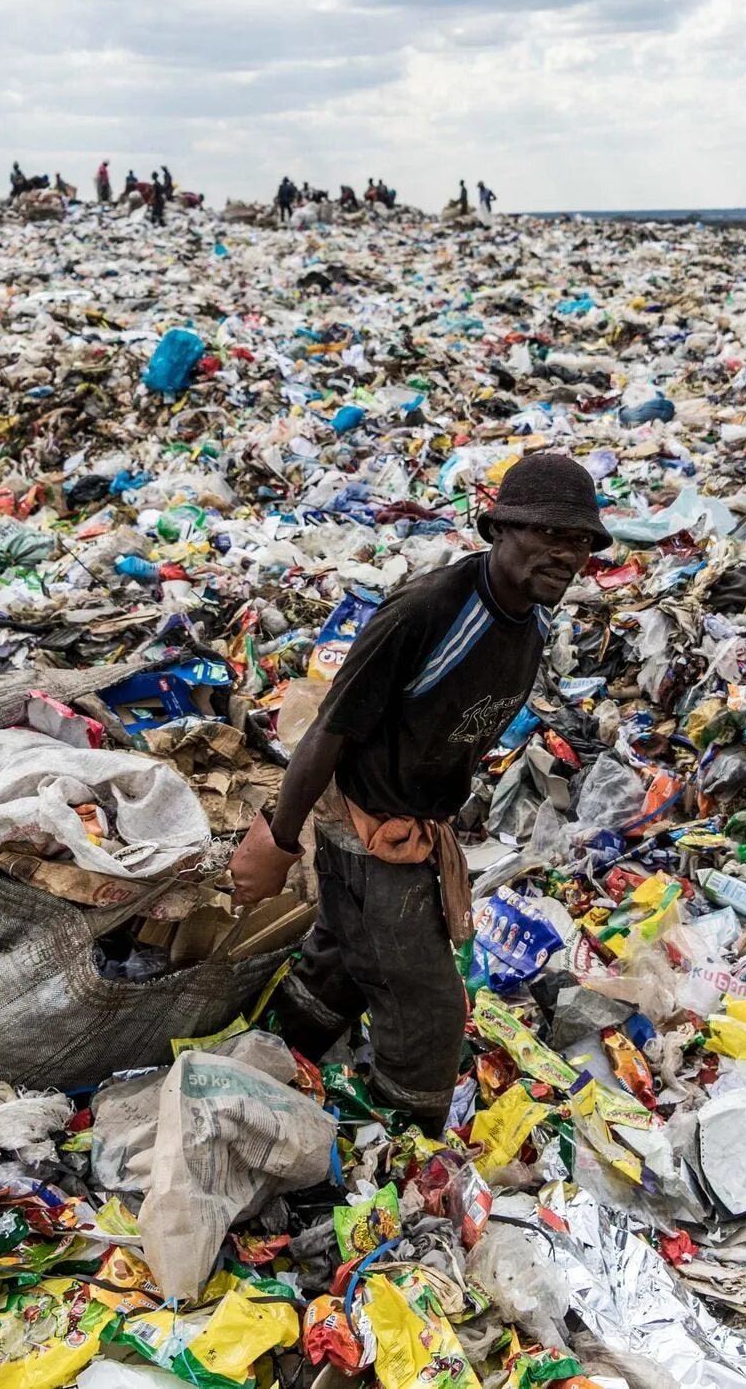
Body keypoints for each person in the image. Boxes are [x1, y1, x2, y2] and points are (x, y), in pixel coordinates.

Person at [230, 453, 607, 1129]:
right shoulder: (429, 611)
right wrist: (278, 841)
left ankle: (276, 1058)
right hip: (366, 833)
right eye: (550, 534)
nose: (567, 554)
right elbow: (329, 732)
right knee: (429, 1011)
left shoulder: (530, 627)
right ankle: (406, 1151)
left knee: (346, 958)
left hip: (415, 831)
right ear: (501, 529)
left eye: (578, 540)